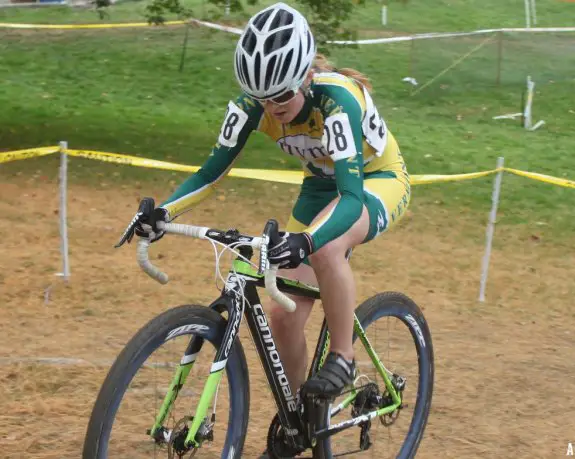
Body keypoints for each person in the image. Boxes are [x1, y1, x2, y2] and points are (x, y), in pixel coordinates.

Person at [119, 1, 411, 456]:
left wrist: (308, 240)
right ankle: (303, 420)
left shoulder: (337, 101)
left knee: (326, 250)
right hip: (319, 186)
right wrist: (164, 213)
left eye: (279, 98)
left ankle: (344, 359)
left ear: (305, 79)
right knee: (283, 316)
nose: (270, 111)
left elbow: (351, 198)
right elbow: (210, 173)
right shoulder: (254, 104)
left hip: (375, 181)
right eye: (260, 98)